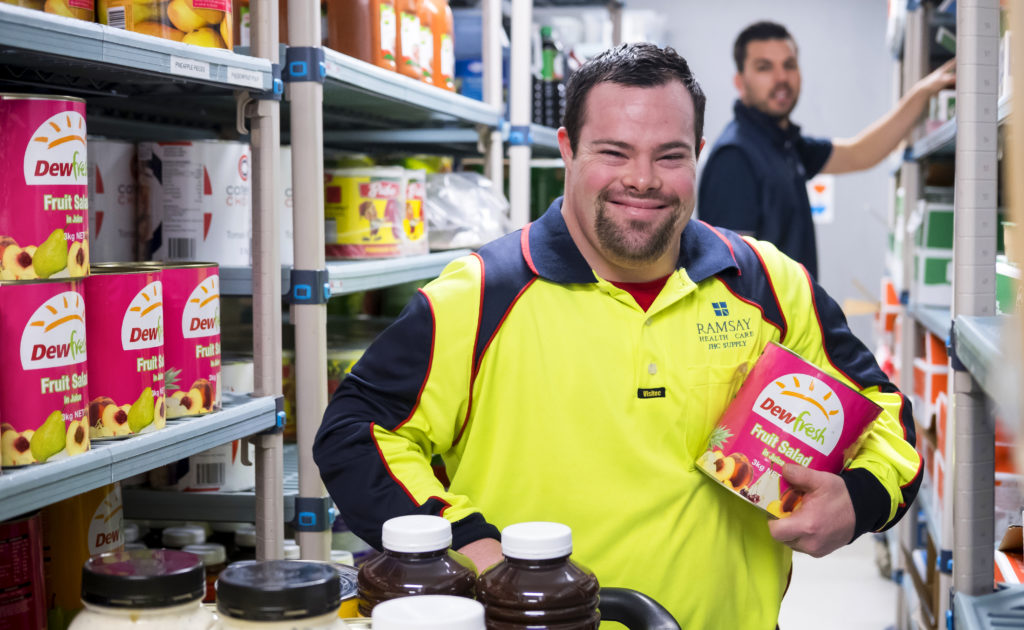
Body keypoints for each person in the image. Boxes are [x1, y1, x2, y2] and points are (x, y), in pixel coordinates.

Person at [314, 42, 921, 629]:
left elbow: (887, 414)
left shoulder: (766, 284)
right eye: (614, 151)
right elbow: (354, 433)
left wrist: (859, 499)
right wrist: (469, 545)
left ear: (698, 155)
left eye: (670, 155)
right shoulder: (481, 296)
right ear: (567, 150)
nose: (643, 179)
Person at [698, 20, 956, 278]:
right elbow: (730, 277)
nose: (781, 78)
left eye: (789, 65)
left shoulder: (785, 145)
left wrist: (921, 93)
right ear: (740, 82)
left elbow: (860, 154)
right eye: (764, 67)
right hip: (769, 319)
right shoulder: (735, 157)